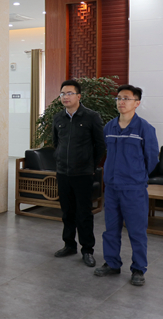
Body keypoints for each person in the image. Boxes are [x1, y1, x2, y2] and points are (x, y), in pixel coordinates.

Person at [94, 85, 159, 286]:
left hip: (134, 189)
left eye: (126, 98)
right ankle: (112, 263)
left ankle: (138, 268)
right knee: (111, 229)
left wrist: (136, 176)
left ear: (137, 103)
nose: (121, 102)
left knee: (136, 231)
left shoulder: (145, 129)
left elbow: (152, 159)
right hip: (111, 188)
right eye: (119, 98)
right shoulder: (109, 127)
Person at [52, 79, 105, 267]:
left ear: (79, 96)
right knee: (67, 212)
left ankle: (87, 249)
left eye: (69, 93)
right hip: (63, 173)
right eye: (62, 94)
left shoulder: (91, 117)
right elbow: (56, 143)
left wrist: (90, 166)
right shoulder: (58, 118)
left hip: (83, 173)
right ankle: (69, 245)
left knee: (84, 213)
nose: (65, 97)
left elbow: (100, 145)